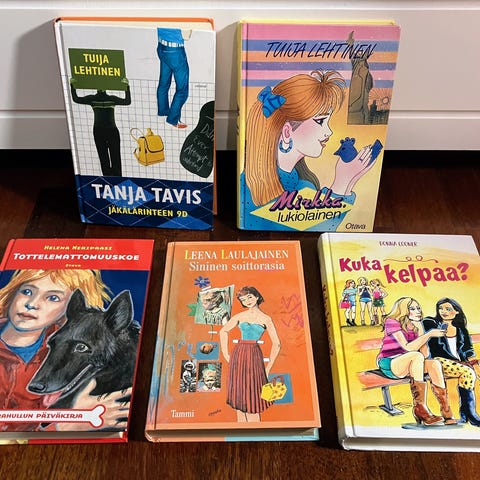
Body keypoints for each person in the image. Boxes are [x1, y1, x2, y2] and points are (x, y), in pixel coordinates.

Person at [241, 70, 376, 231]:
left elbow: (317, 225)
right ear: (287, 132)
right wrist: (343, 181)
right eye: (320, 121)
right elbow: (309, 226)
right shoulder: (251, 188)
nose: (329, 132)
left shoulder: (304, 183)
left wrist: (350, 179)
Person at [0, 269, 131, 432]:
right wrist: (65, 425)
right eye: (27, 291)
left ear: (69, 309)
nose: (32, 304)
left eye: (53, 298)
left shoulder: (70, 355)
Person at [376, 296, 456, 426]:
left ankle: (446, 410)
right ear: (403, 310)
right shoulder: (392, 322)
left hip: (411, 363)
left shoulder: (416, 326)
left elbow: (425, 355)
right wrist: (429, 334)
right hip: (390, 363)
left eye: (418, 308)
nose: (417, 311)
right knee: (416, 355)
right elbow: (408, 348)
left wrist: (421, 330)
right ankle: (420, 409)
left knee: (434, 364)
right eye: (412, 308)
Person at [219, 286, 280, 422]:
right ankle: (241, 427)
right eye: (243, 299)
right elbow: (223, 331)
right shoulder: (240, 316)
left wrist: (268, 368)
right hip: (239, 354)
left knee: (254, 395)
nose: (247, 301)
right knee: (239, 393)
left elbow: (277, 343)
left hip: (254, 355)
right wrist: (226, 354)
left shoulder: (266, 318)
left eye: (249, 297)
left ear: (257, 297)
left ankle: (255, 428)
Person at [423, 298, 480, 426]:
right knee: (468, 372)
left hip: (458, 364)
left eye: (448, 309)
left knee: (468, 373)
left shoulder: (461, 330)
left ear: (457, 311)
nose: (443, 311)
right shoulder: (431, 323)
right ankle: (471, 414)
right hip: (437, 362)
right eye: (441, 308)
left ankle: (466, 413)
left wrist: (475, 365)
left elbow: (468, 351)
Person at [70, 78, 131, 176]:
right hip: (102, 130)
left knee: (113, 155)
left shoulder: (105, 99)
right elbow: (76, 99)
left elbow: (127, 101)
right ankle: (108, 178)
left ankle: (116, 178)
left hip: (108, 130)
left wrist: (126, 86)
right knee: (104, 155)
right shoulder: (97, 99)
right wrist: (72, 86)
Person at [156, 27, 191, 129]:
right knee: (182, 90)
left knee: (163, 83)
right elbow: (186, 35)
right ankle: (173, 119)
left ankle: (163, 111)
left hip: (161, 46)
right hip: (175, 50)